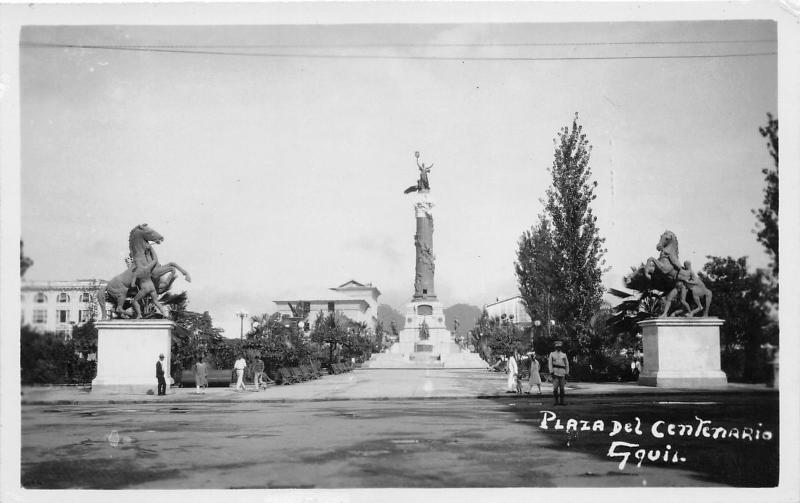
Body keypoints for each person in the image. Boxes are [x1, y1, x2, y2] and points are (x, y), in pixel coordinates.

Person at [548, 341, 569, 405]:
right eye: (557, 347)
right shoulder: (552, 354)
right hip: (555, 373)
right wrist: (551, 372)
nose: (558, 348)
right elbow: (550, 364)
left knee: (562, 388)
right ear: (555, 347)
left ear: (561, 347)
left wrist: (567, 373)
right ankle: (556, 401)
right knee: (555, 388)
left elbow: (567, 364)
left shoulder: (564, 355)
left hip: (562, 373)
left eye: (559, 347)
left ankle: (562, 401)